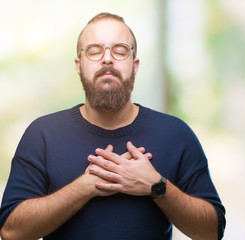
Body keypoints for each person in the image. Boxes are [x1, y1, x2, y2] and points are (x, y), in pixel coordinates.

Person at [0, 12, 225, 240]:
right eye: (95, 51)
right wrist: (85, 187)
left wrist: (156, 186)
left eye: (119, 50)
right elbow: (10, 233)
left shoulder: (176, 134)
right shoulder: (43, 135)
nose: (107, 59)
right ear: (79, 65)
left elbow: (211, 233)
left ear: (135, 65)